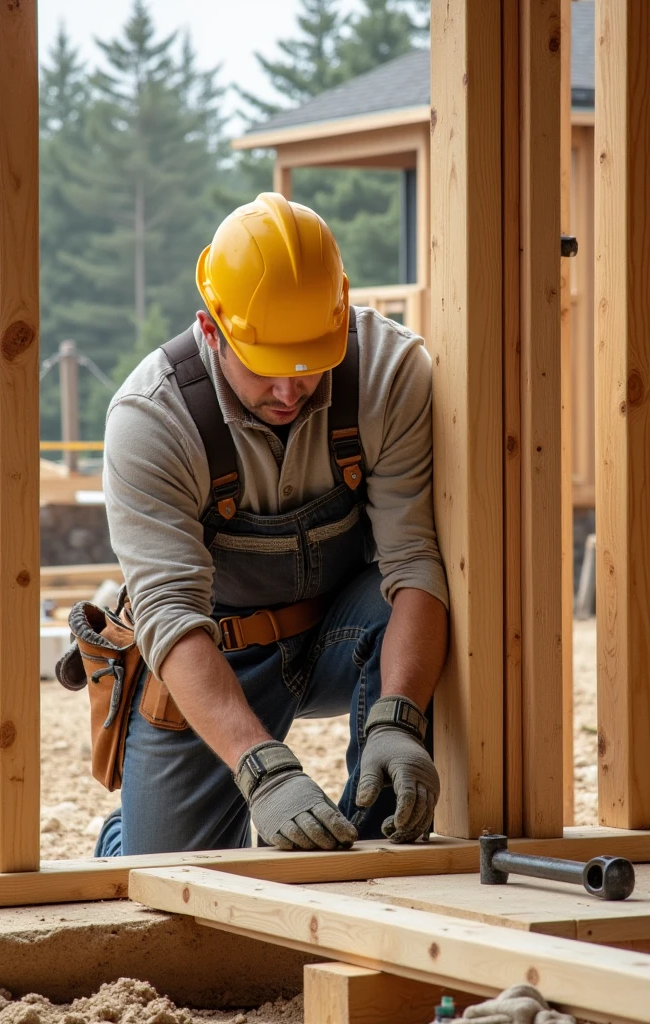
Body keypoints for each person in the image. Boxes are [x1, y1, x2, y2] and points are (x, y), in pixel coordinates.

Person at [95, 192, 448, 857]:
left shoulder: (390, 371)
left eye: (310, 361)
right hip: (211, 650)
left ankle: (363, 851)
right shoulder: (151, 419)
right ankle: (125, 836)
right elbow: (169, 613)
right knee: (169, 869)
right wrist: (264, 769)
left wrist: (400, 717)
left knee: (419, 614)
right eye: (266, 366)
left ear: (341, 314)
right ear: (211, 330)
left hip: (341, 635)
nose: (290, 391)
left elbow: (414, 564)